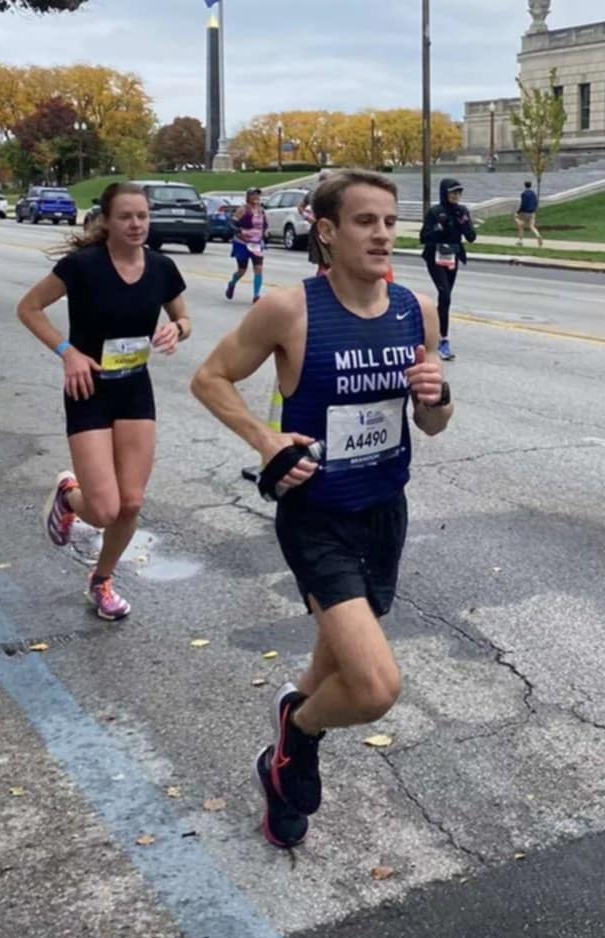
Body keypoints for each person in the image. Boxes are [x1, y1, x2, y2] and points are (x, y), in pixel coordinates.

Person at [190, 169, 453, 850]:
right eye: (366, 221)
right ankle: (297, 737)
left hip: (384, 512)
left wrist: (435, 397)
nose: (384, 235)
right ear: (327, 232)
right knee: (372, 687)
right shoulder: (290, 309)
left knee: (332, 667)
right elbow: (209, 378)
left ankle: (288, 726)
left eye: (391, 222)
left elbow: (432, 426)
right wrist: (267, 440)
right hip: (316, 517)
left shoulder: (416, 310)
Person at [16, 181, 190, 621]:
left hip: (134, 388)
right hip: (88, 388)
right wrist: (67, 353)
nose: (135, 225)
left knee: (130, 503)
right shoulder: (83, 266)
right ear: (107, 222)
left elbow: (183, 316)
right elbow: (29, 308)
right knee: (103, 510)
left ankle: (101, 579)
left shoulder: (162, 267)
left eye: (142, 217)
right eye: (126, 217)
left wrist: (177, 329)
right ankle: (68, 496)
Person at [419, 177, 477, 360]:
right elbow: (423, 236)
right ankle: (443, 340)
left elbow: (471, 237)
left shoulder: (462, 211)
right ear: (445, 193)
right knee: (444, 295)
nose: (456, 196)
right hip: (435, 256)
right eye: (453, 192)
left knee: (445, 301)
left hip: (452, 256)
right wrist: (438, 228)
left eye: (459, 192)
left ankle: (433, 332)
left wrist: (464, 223)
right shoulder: (435, 212)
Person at [227, 187, 267, 304]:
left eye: (257, 195)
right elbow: (231, 223)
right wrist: (239, 233)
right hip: (242, 243)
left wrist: (265, 232)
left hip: (256, 243)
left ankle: (256, 296)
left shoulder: (261, 210)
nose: (256, 197)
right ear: (248, 197)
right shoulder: (243, 209)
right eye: (253, 195)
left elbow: (265, 224)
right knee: (242, 270)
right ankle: (232, 283)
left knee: (258, 269)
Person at [515, 179, 543, 247]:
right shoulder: (533, 193)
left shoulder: (523, 194)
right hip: (532, 212)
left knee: (520, 225)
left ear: (525, 186)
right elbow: (536, 202)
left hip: (525, 212)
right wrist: (534, 209)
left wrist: (518, 212)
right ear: (530, 186)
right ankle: (538, 235)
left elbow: (523, 204)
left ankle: (520, 241)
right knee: (532, 226)